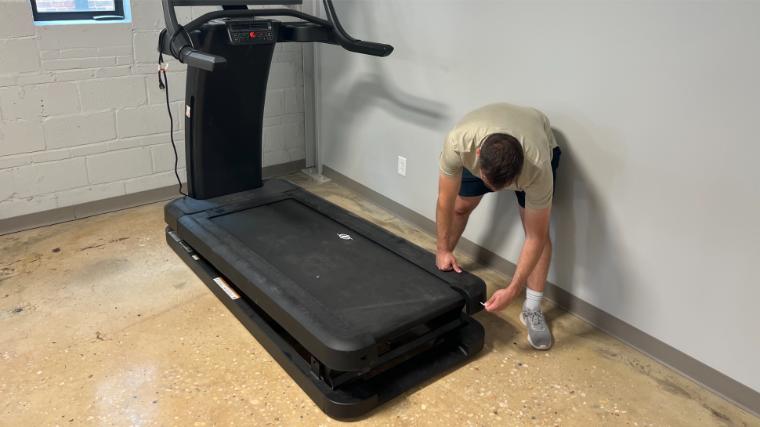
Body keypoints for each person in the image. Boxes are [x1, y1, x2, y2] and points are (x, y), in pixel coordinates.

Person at [435, 103, 561, 350]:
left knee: (537, 231)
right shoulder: (459, 143)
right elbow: (444, 200)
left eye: (502, 186)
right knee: (460, 206)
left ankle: (532, 309)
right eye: (489, 184)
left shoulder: (537, 167)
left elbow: (536, 238)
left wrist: (513, 290)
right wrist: (441, 249)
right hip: (483, 145)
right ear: (479, 155)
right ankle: (443, 262)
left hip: (536, 144)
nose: (495, 192)